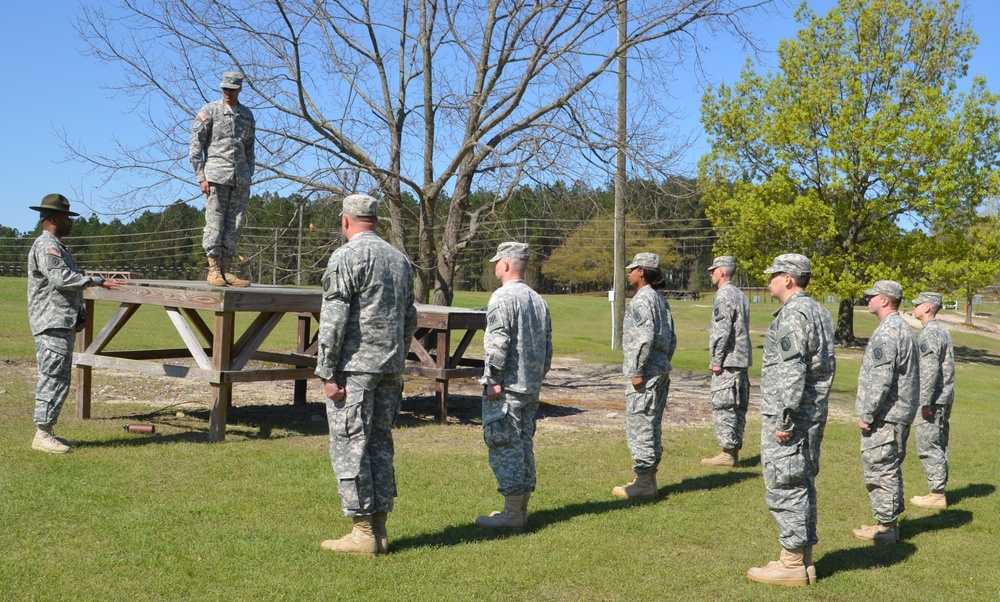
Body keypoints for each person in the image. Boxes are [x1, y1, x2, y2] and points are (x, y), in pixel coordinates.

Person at [314, 194, 418, 556]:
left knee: (350, 446)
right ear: (375, 220)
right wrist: (397, 357)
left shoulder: (346, 256)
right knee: (379, 445)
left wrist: (327, 370)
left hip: (354, 369)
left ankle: (362, 533)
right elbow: (410, 318)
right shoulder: (400, 259)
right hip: (389, 367)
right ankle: (379, 530)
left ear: (346, 221)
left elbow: (333, 320)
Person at [747, 253, 835, 587]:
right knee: (801, 481)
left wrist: (783, 419)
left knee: (785, 483)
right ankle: (804, 560)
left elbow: (792, 369)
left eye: (774, 275)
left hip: (792, 415)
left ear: (788, 278)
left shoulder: (794, 314)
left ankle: (792, 562)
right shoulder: (818, 311)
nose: (768, 280)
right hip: (810, 413)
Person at [27, 194, 126, 453]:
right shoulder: (46, 245)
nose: (71, 223)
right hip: (51, 323)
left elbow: (62, 288)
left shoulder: (57, 245)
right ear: (51, 219)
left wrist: (79, 312)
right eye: (66, 218)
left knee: (59, 376)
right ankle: (42, 433)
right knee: (53, 376)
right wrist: (97, 280)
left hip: (61, 321)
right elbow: (61, 279)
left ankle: (48, 431)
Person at [475, 242, 552, 529]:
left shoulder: (502, 298)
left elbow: (497, 343)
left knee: (505, 446)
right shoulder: (537, 299)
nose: (495, 266)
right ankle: (519, 509)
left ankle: (512, 514)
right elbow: (548, 346)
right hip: (530, 386)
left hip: (507, 387)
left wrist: (493, 380)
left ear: (507, 264)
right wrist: (538, 377)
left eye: (497, 261)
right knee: (522, 445)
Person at [852, 280, 919, 544]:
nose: (867, 299)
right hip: (897, 413)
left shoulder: (888, 332)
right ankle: (887, 523)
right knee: (888, 467)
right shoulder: (902, 327)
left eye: (872, 296)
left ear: (885, 300)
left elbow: (881, 379)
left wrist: (868, 414)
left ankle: (886, 529)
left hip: (886, 415)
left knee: (880, 469)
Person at [612, 252, 676, 500]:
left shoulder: (642, 300)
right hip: (660, 369)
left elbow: (642, 339)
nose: (628, 273)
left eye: (632, 269)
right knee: (652, 424)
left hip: (647, 374)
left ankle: (643, 483)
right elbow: (672, 337)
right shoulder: (660, 300)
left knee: (641, 425)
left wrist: (638, 370)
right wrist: (664, 361)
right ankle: (647, 478)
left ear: (641, 272)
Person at [189, 70, 256, 287]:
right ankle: (214, 269)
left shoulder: (246, 115)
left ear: (240, 89)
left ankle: (227, 269)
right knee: (215, 223)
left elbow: (249, 148)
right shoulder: (210, 111)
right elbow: (196, 146)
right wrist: (201, 177)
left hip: (240, 179)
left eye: (232, 89)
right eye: (225, 88)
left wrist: (249, 173)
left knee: (235, 225)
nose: (228, 92)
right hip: (216, 177)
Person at [701, 255, 752, 468]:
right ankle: (734, 451)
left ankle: (727, 454)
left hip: (728, 360)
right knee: (738, 406)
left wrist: (716, 360)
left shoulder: (723, 295)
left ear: (722, 272)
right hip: (741, 360)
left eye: (713, 270)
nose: (711, 274)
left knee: (724, 406)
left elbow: (722, 332)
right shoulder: (740, 294)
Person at [909, 292, 955, 510]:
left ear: (927, 307)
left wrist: (924, 401)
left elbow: (929, 370)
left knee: (929, 444)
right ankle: (939, 490)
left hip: (933, 400)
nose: (914, 308)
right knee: (939, 442)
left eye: (917, 304)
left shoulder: (930, 333)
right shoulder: (941, 331)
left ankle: (936, 493)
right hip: (942, 398)